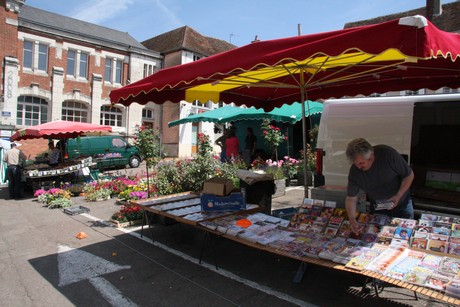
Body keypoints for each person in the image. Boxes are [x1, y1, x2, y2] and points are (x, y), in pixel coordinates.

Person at [345, 138, 414, 235]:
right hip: (378, 207)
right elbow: (351, 198)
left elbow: (409, 175)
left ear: (371, 157)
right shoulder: (355, 171)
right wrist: (352, 219)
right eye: (355, 163)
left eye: (361, 163)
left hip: (402, 204)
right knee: (379, 237)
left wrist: (398, 195)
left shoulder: (388, 155)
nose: (358, 167)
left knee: (404, 235)